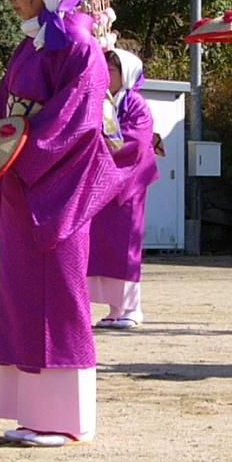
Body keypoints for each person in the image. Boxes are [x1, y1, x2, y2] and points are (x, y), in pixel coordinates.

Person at [0, 0, 115, 445]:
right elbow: (2, 111)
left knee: (59, 293)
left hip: (55, 188)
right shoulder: (30, 46)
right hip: (24, 187)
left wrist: (18, 150)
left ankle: (64, 418)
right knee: (25, 294)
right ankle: (35, 411)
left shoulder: (79, 47)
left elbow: (76, 121)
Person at [88, 47, 161, 329]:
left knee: (127, 244)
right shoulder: (100, 101)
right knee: (104, 244)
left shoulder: (137, 104)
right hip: (105, 181)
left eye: (113, 70)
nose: (107, 75)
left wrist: (103, 144)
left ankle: (132, 306)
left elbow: (136, 140)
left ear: (126, 73)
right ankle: (114, 307)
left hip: (129, 182)